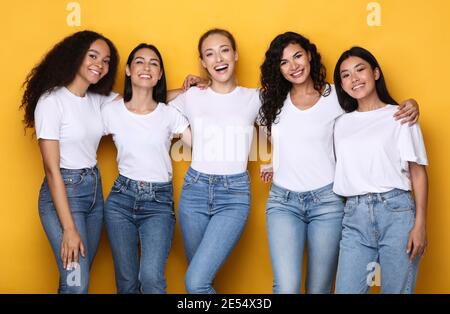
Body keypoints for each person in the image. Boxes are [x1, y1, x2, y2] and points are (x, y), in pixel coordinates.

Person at [257, 32, 420, 293]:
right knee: (285, 287)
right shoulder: (270, 99)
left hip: (328, 203)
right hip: (283, 202)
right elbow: (227, 102)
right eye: (284, 62)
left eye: (298, 56)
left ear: (309, 56)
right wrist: (275, 162)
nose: (294, 66)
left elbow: (370, 117)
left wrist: (411, 104)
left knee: (320, 288)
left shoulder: (335, 96)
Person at [21, 30, 119, 293]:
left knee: (74, 278)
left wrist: (187, 89)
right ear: (76, 57)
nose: (100, 64)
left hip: (94, 193)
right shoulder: (52, 101)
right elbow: (52, 170)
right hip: (64, 193)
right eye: (93, 56)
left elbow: (143, 101)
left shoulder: (98, 100)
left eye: (106, 60)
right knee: (77, 284)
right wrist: (68, 228)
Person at [169, 28, 261, 294]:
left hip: (233, 196)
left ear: (235, 55)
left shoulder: (253, 98)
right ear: (203, 62)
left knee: (196, 282)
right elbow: (149, 101)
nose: (218, 58)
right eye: (209, 54)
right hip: (194, 192)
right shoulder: (193, 96)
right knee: (199, 280)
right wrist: (187, 86)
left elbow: (292, 116)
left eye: (224, 50)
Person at [332, 46, 428, 294]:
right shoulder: (340, 124)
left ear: (375, 73)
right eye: (345, 75)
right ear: (341, 85)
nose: (354, 79)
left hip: (396, 214)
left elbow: (417, 172)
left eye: (360, 69)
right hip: (354, 215)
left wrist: (420, 225)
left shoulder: (400, 116)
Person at [102, 43, 191, 294]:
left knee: (151, 279)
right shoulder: (111, 111)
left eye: (154, 63)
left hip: (158, 202)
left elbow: (203, 146)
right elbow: (81, 130)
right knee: (127, 282)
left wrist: (195, 88)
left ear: (160, 74)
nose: (146, 67)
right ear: (129, 70)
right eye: (139, 61)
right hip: (121, 199)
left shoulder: (169, 114)